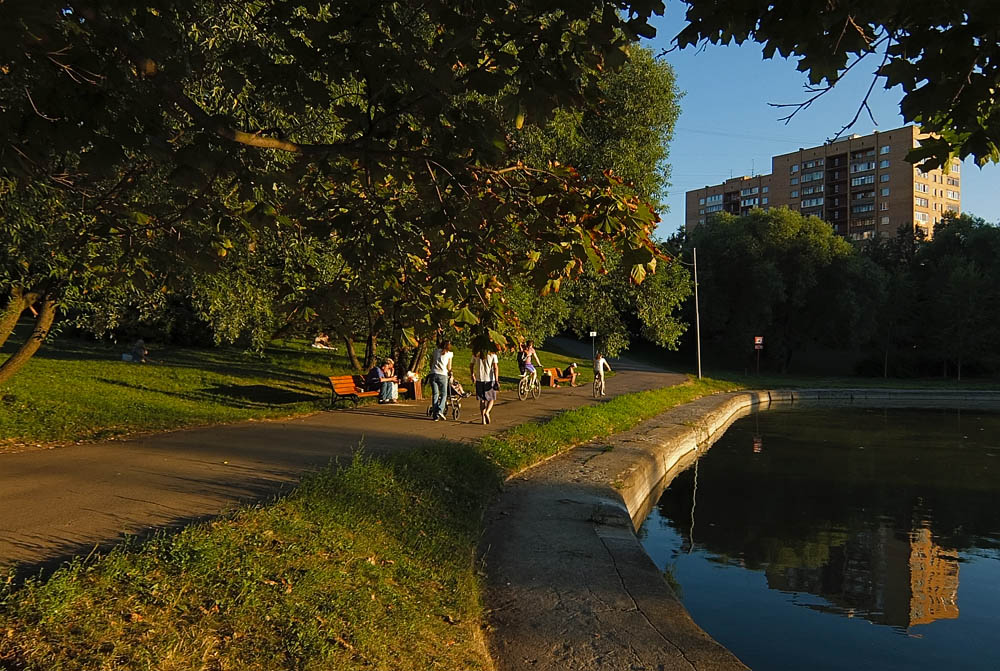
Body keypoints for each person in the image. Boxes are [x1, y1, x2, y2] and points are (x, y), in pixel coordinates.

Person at [470, 346, 500, 425]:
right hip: (489, 379)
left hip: (479, 379)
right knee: (491, 398)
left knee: (482, 399)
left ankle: (483, 419)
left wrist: (472, 374)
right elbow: (495, 367)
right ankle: (487, 412)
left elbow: (471, 364)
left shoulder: (476, 354)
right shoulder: (493, 355)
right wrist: (496, 380)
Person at [428, 340, 454, 421]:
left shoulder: (435, 351)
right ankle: (440, 409)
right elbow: (449, 367)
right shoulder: (449, 354)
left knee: (435, 394)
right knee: (444, 394)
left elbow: (431, 362)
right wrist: (451, 373)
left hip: (433, 373)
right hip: (442, 374)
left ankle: (435, 415)